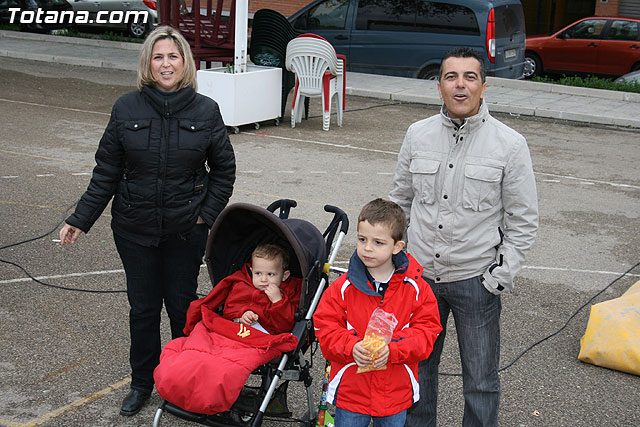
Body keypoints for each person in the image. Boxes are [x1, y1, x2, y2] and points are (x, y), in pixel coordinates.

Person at [58, 25, 236, 417]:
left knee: (181, 309)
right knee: (142, 309)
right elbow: (106, 172)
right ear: (148, 63)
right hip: (134, 230)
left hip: (185, 232)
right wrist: (80, 218)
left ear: (184, 62)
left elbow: (224, 171)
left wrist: (204, 217)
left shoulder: (206, 111)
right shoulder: (126, 109)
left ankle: (182, 382)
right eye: (158, 57)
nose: (166, 63)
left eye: (173, 56)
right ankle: (142, 383)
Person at [389, 47, 539, 426]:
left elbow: (523, 220)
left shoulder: (509, 144)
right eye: (451, 77)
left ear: (483, 86)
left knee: (481, 381)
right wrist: (395, 263)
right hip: (419, 280)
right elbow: (399, 204)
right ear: (439, 86)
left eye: (469, 77)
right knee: (417, 372)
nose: (460, 85)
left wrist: (498, 278)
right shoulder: (416, 134)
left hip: (477, 280)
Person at [313, 198, 442, 427]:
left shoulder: (416, 288)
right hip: (352, 393)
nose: (368, 248)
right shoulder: (343, 288)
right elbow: (325, 327)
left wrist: (392, 350)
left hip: (394, 393)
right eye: (362, 239)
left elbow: (427, 333)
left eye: (378, 242)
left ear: (397, 247)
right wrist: (351, 346)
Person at [217, 243, 301, 335]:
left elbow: (287, 325)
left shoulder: (290, 290)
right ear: (251, 271)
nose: (263, 279)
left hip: (268, 335)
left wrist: (278, 301)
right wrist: (241, 316)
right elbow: (229, 309)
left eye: (270, 274)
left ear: (284, 276)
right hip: (239, 330)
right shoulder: (242, 285)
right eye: (258, 273)